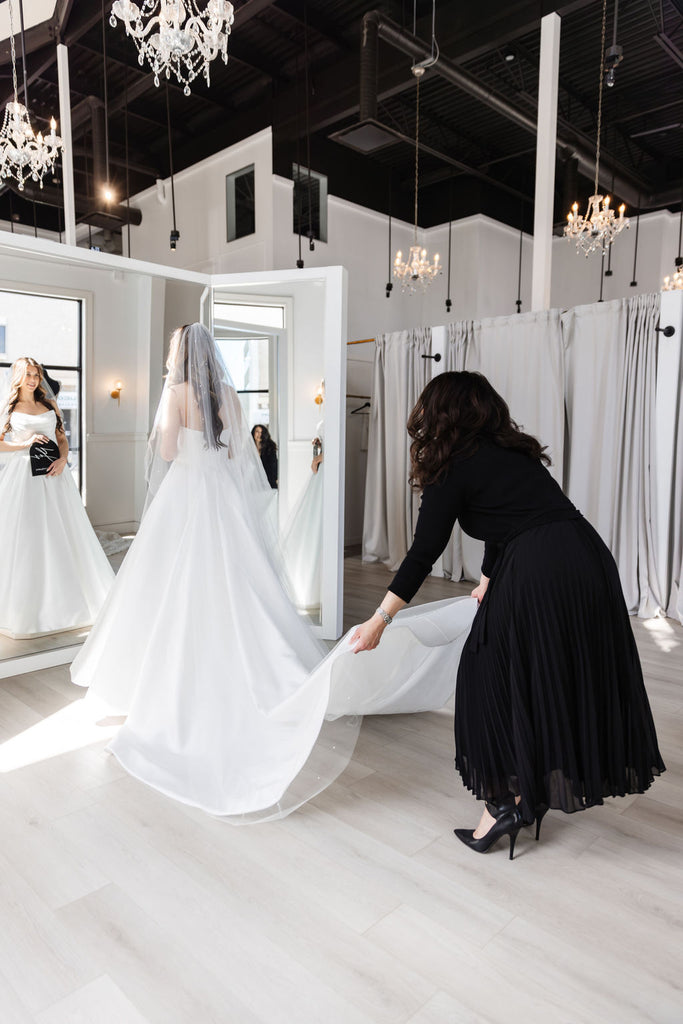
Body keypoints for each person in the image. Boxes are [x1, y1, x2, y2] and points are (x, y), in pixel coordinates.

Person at [351, 371, 665, 859]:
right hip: (585, 557)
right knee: (545, 672)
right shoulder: (511, 453)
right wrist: (487, 580)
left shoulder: (451, 464)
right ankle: (524, 795)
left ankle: (505, 803)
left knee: (486, 675)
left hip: (540, 565)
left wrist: (380, 620)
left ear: (437, 414)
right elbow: (516, 517)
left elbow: (423, 553)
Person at [71, 324, 359, 819]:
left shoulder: (176, 392)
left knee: (168, 587)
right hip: (222, 493)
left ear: (181, 355)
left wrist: (174, 420)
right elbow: (236, 450)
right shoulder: (228, 391)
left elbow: (165, 453)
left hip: (186, 492)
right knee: (238, 582)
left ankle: (152, 684)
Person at [0, 357, 114, 638]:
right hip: (24, 477)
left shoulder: (49, 404)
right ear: (17, 376)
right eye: (27, 374)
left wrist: (64, 459)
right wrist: (22, 444)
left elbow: (61, 437)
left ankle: (70, 602)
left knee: (64, 533)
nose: (33, 379)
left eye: (36, 375)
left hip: (54, 475)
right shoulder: (10, 408)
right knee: (27, 536)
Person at [282, 430, 324, 611]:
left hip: (323, 468)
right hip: (321, 469)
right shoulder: (326, 416)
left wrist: (318, 458)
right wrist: (319, 443)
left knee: (318, 521)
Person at [251, 423, 278, 488]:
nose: (259, 434)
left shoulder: (270, 448)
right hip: (254, 480)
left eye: (261, 432)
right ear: (253, 433)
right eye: (257, 432)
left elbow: (274, 465)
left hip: (268, 480)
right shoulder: (249, 447)